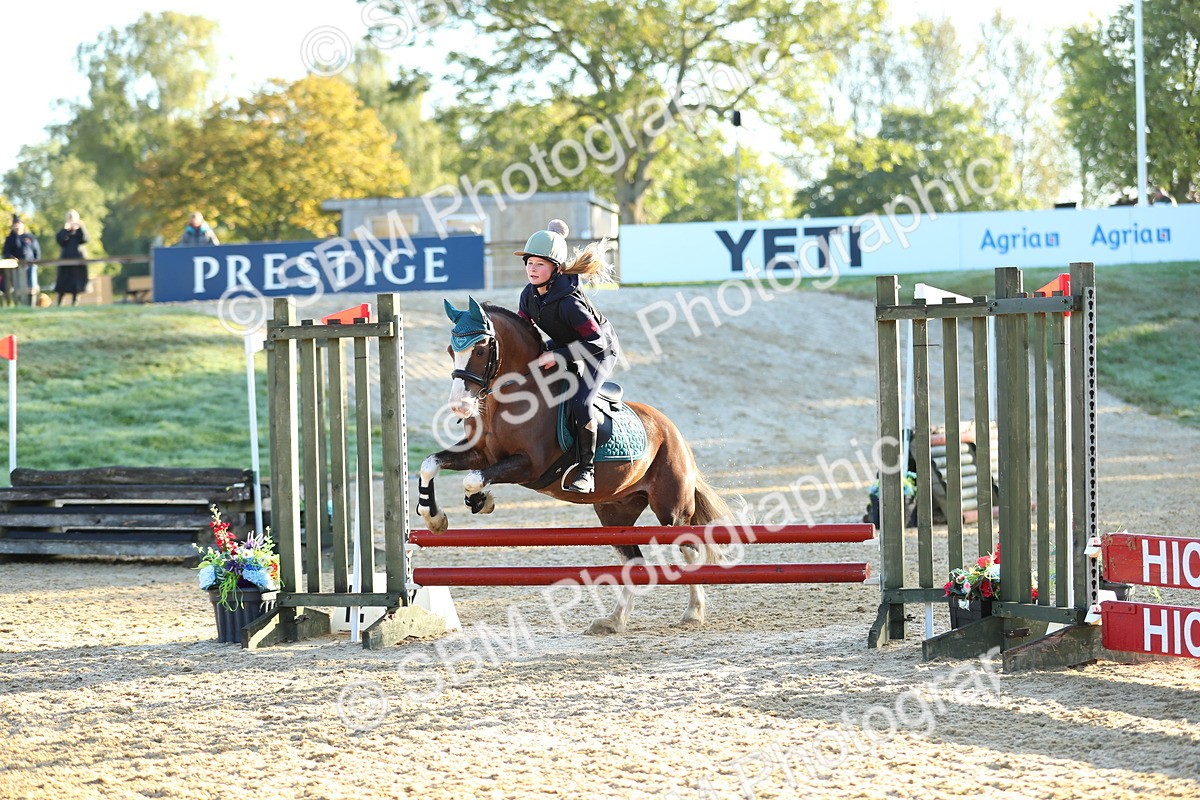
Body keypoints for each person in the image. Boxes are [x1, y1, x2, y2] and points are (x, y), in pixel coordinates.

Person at [515, 219, 617, 493]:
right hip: (564, 344)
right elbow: (524, 331)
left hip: (600, 350)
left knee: (581, 402)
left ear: (555, 269)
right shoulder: (528, 295)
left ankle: (587, 470)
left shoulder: (571, 303)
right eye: (529, 263)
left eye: (539, 264)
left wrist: (558, 355)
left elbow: (595, 340)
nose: (532, 270)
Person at [2, 214, 41, 307]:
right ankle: (20, 305)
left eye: (19, 223)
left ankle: (31, 305)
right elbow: (6, 252)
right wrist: (12, 258)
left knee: (31, 286)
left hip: (30, 264)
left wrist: (36, 261)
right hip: (16, 266)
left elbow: (37, 251)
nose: (17, 226)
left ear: (23, 225)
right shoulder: (10, 239)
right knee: (18, 287)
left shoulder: (30, 237)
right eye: (15, 224)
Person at [54, 210, 90, 306]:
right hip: (65, 258)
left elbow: (85, 239)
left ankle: (75, 302)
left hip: (78, 258)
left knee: (76, 282)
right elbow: (60, 242)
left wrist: (80, 227)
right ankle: (59, 302)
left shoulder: (80, 230)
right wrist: (65, 230)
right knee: (63, 281)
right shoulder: (64, 231)